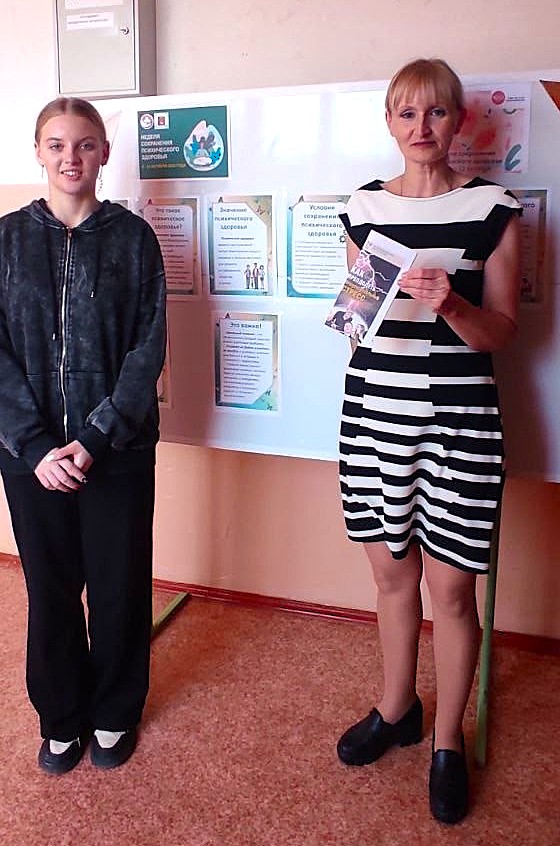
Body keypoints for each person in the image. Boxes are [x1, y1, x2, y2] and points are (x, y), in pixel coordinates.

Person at [335, 59, 521, 825]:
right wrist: (360, 304)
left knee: (451, 590)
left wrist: (450, 306)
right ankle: (397, 708)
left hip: (458, 420)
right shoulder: (361, 207)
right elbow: (353, 327)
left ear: (458, 122)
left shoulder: (493, 208)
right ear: (389, 122)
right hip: (375, 414)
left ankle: (447, 741)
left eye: (437, 113)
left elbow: (501, 333)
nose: (422, 128)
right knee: (390, 578)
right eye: (407, 114)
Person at [0, 98, 166, 774]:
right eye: (57, 144)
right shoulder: (7, 238)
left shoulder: (134, 239)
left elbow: (147, 349)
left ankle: (115, 711)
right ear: (38, 152)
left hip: (116, 452)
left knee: (119, 587)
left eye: (85, 144)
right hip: (30, 459)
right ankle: (61, 717)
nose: (71, 157)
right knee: (51, 590)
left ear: (104, 154)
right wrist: (34, 447)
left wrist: (96, 436)